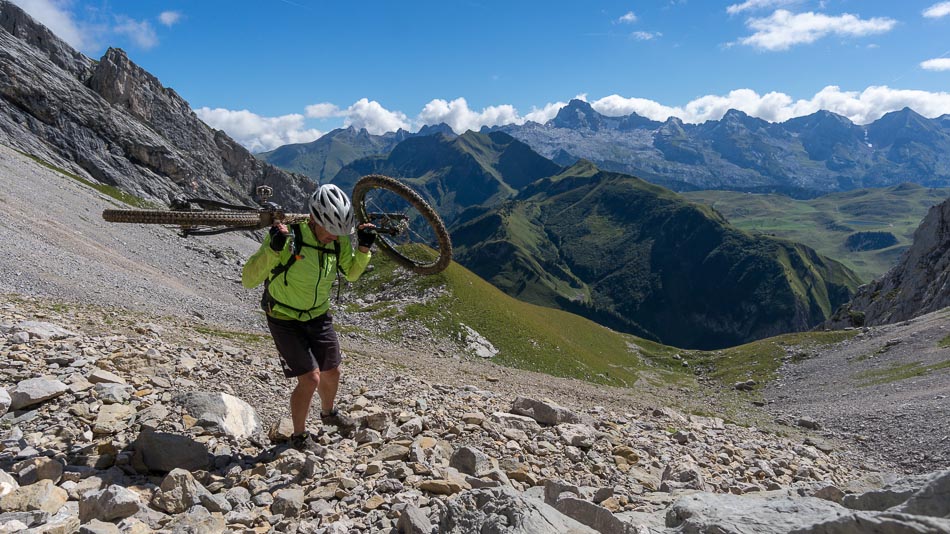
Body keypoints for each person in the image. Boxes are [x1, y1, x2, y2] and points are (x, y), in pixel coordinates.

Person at [241, 184, 376, 450]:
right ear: (313, 219)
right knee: (310, 378)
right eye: (330, 230)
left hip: (318, 314)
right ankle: (300, 436)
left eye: (340, 232)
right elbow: (249, 279)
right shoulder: (288, 236)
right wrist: (272, 250)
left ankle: (328, 414)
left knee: (332, 371)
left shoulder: (337, 239)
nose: (335, 237)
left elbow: (349, 273)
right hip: (284, 316)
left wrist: (362, 249)